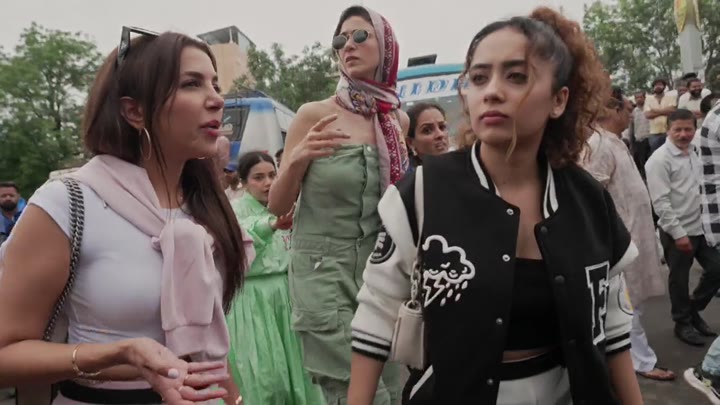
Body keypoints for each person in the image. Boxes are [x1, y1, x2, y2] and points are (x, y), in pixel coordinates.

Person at [348, 7, 642, 404]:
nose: (492, 91)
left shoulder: (588, 200)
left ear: (558, 100)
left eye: (516, 76)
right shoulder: (422, 192)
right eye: (479, 77)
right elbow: (375, 316)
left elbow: (614, 326)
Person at [0, 29, 248, 404]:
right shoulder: (68, 203)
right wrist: (121, 353)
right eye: (191, 84)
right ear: (134, 111)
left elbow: (210, 351)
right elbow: (6, 354)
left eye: (215, 84)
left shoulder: (207, 207)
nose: (216, 99)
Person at [268, 6, 409, 404]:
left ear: (387, 46)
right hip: (322, 275)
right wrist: (297, 159)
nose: (348, 45)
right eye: (340, 39)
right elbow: (277, 205)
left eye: (360, 35)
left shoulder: (396, 121)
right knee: (360, 395)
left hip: (380, 273)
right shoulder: (314, 115)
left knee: (396, 389)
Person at [583, 89, 672, 381]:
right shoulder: (599, 145)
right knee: (626, 304)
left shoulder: (614, 141)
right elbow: (590, 196)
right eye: (627, 109)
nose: (631, 114)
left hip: (634, 237)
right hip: (620, 241)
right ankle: (640, 361)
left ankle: (630, 356)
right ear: (612, 110)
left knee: (633, 303)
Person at [227, 151, 325, 405]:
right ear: (244, 182)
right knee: (264, 375)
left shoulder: (286, 207)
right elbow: (239, 243)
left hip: (286, 294)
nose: (268, 183)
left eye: (272, 175)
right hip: (252, 298)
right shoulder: (234, 210)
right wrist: (270, 226)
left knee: (297, 369)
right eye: (258, 177)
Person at [646, 109, 720, 347]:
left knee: (717, 269)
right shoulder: (659, 160)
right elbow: (660, 202)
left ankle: (693, 309)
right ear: (668, 129)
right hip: (677, 230)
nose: (683, 134)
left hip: (703, 227)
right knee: (679, 279)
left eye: (688, 129)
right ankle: (682, 323)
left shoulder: (697, 151)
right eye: (677, 129)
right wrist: (678, 234)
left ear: (695, 129)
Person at [405, 102, 450, 169]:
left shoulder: (462, 166)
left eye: (442, 127)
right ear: (410, 142)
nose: (440, 134)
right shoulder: (408, 174)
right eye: (427, 130)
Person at [645, 78, 678, 153]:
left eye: (660, 85)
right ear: (653, 87)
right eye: (656, 85)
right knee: (656, 153)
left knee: (670, 152)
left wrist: (654, 110)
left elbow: (672, 111)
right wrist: (665, 111)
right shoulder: (648, 99)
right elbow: (648, 115)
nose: (658, 87)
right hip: (654, 132)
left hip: (669, 131)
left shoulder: (671, 97)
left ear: (664, 86)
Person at [0, 182, 23, 246]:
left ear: (18, 196)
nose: (8, 198)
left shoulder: (29, 215)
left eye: (11, 195)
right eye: (4, 196)